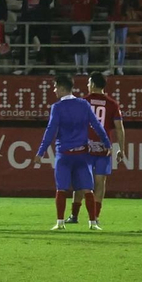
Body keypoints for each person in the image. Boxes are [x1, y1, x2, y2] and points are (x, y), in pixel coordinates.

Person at [37, 73, 110, 231]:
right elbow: (97, 125)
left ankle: (60, 223)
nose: (54, 90)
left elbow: (50, 131)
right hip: (82, 155)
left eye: (55, 87)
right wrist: (107, 143)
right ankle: (93, 223)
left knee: (61, 189)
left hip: (64, 155)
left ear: (62, 88)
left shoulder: (57, 107)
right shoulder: (83, 104)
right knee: (87, 189)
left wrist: (41, 151)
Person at [80, 72, 126, 227]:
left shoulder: (84, 102)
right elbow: (119, 128)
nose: (87, 85)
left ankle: (76, 213)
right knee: (100, 182)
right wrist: (121, 148)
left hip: (84, 147)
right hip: (104, 148)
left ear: (93, 84)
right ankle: (95, 217)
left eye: (88, 82)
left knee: (83, 181)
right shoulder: (112, 104)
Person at [11, 0, 56, 66]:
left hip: (41, 22)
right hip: (28, 22)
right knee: (24, 45)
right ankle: (22, 66)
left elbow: (49, 0)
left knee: (46, 45)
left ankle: (51, 67)